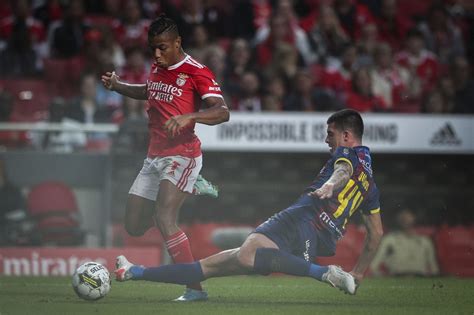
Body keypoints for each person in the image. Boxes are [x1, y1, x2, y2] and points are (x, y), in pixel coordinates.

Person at [114, 109, 384, 298]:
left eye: (331, 134)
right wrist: (358, 273)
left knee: (245, 254)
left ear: (347, 136)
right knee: (212, 265)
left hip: (302, 218)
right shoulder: (370, 183)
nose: (327, 140)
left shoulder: (347, 155)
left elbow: (343, 171)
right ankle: (133, 272)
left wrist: (329, 184)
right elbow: (376, 234)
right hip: (323, 237)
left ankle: (325, 274)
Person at [101, 15, 230, 301]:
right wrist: (118, 85)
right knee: (134, 226)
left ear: (177, 42)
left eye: (162, 47)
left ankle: (194, 290)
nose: (156, 54)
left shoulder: (197, 71)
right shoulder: (158, 66)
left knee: (164, 216)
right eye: (153, 49)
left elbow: (223, 111)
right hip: (154, 156)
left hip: (183, 154)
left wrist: (190, 115)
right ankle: (192, 186)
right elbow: (150, 92)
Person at [370, 208, 439, 276]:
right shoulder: (389, 240)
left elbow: (434, 269)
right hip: (396, 280)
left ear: (415, 217)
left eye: (408, 214)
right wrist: (383, 277)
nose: (405, 217)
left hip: (421, 279)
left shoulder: (425, 241)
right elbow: (373, 266)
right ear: (397, 217)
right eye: (402, 214)